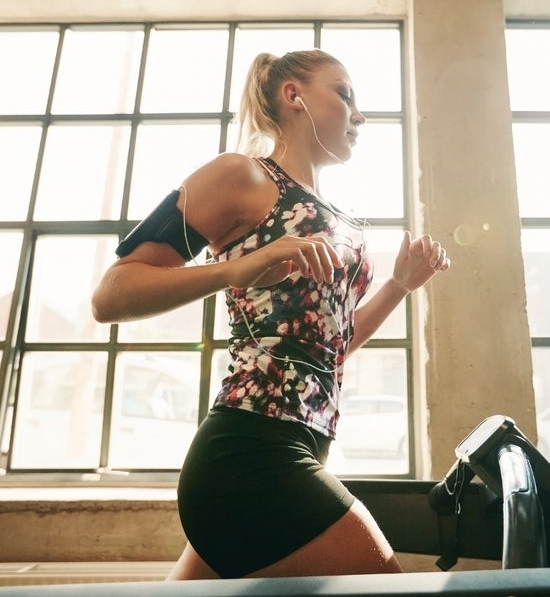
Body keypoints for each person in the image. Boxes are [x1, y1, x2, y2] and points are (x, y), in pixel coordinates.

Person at [91, 49, 451, 580]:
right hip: (251, 454)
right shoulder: (243, 176)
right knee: (387, 591)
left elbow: (331, 347)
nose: (360, 115)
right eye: (345, 94)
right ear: (293, 96)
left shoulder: (339, 218)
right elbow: (111, 295)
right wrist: (236, 270)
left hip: (300, 446)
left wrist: (399, 285)